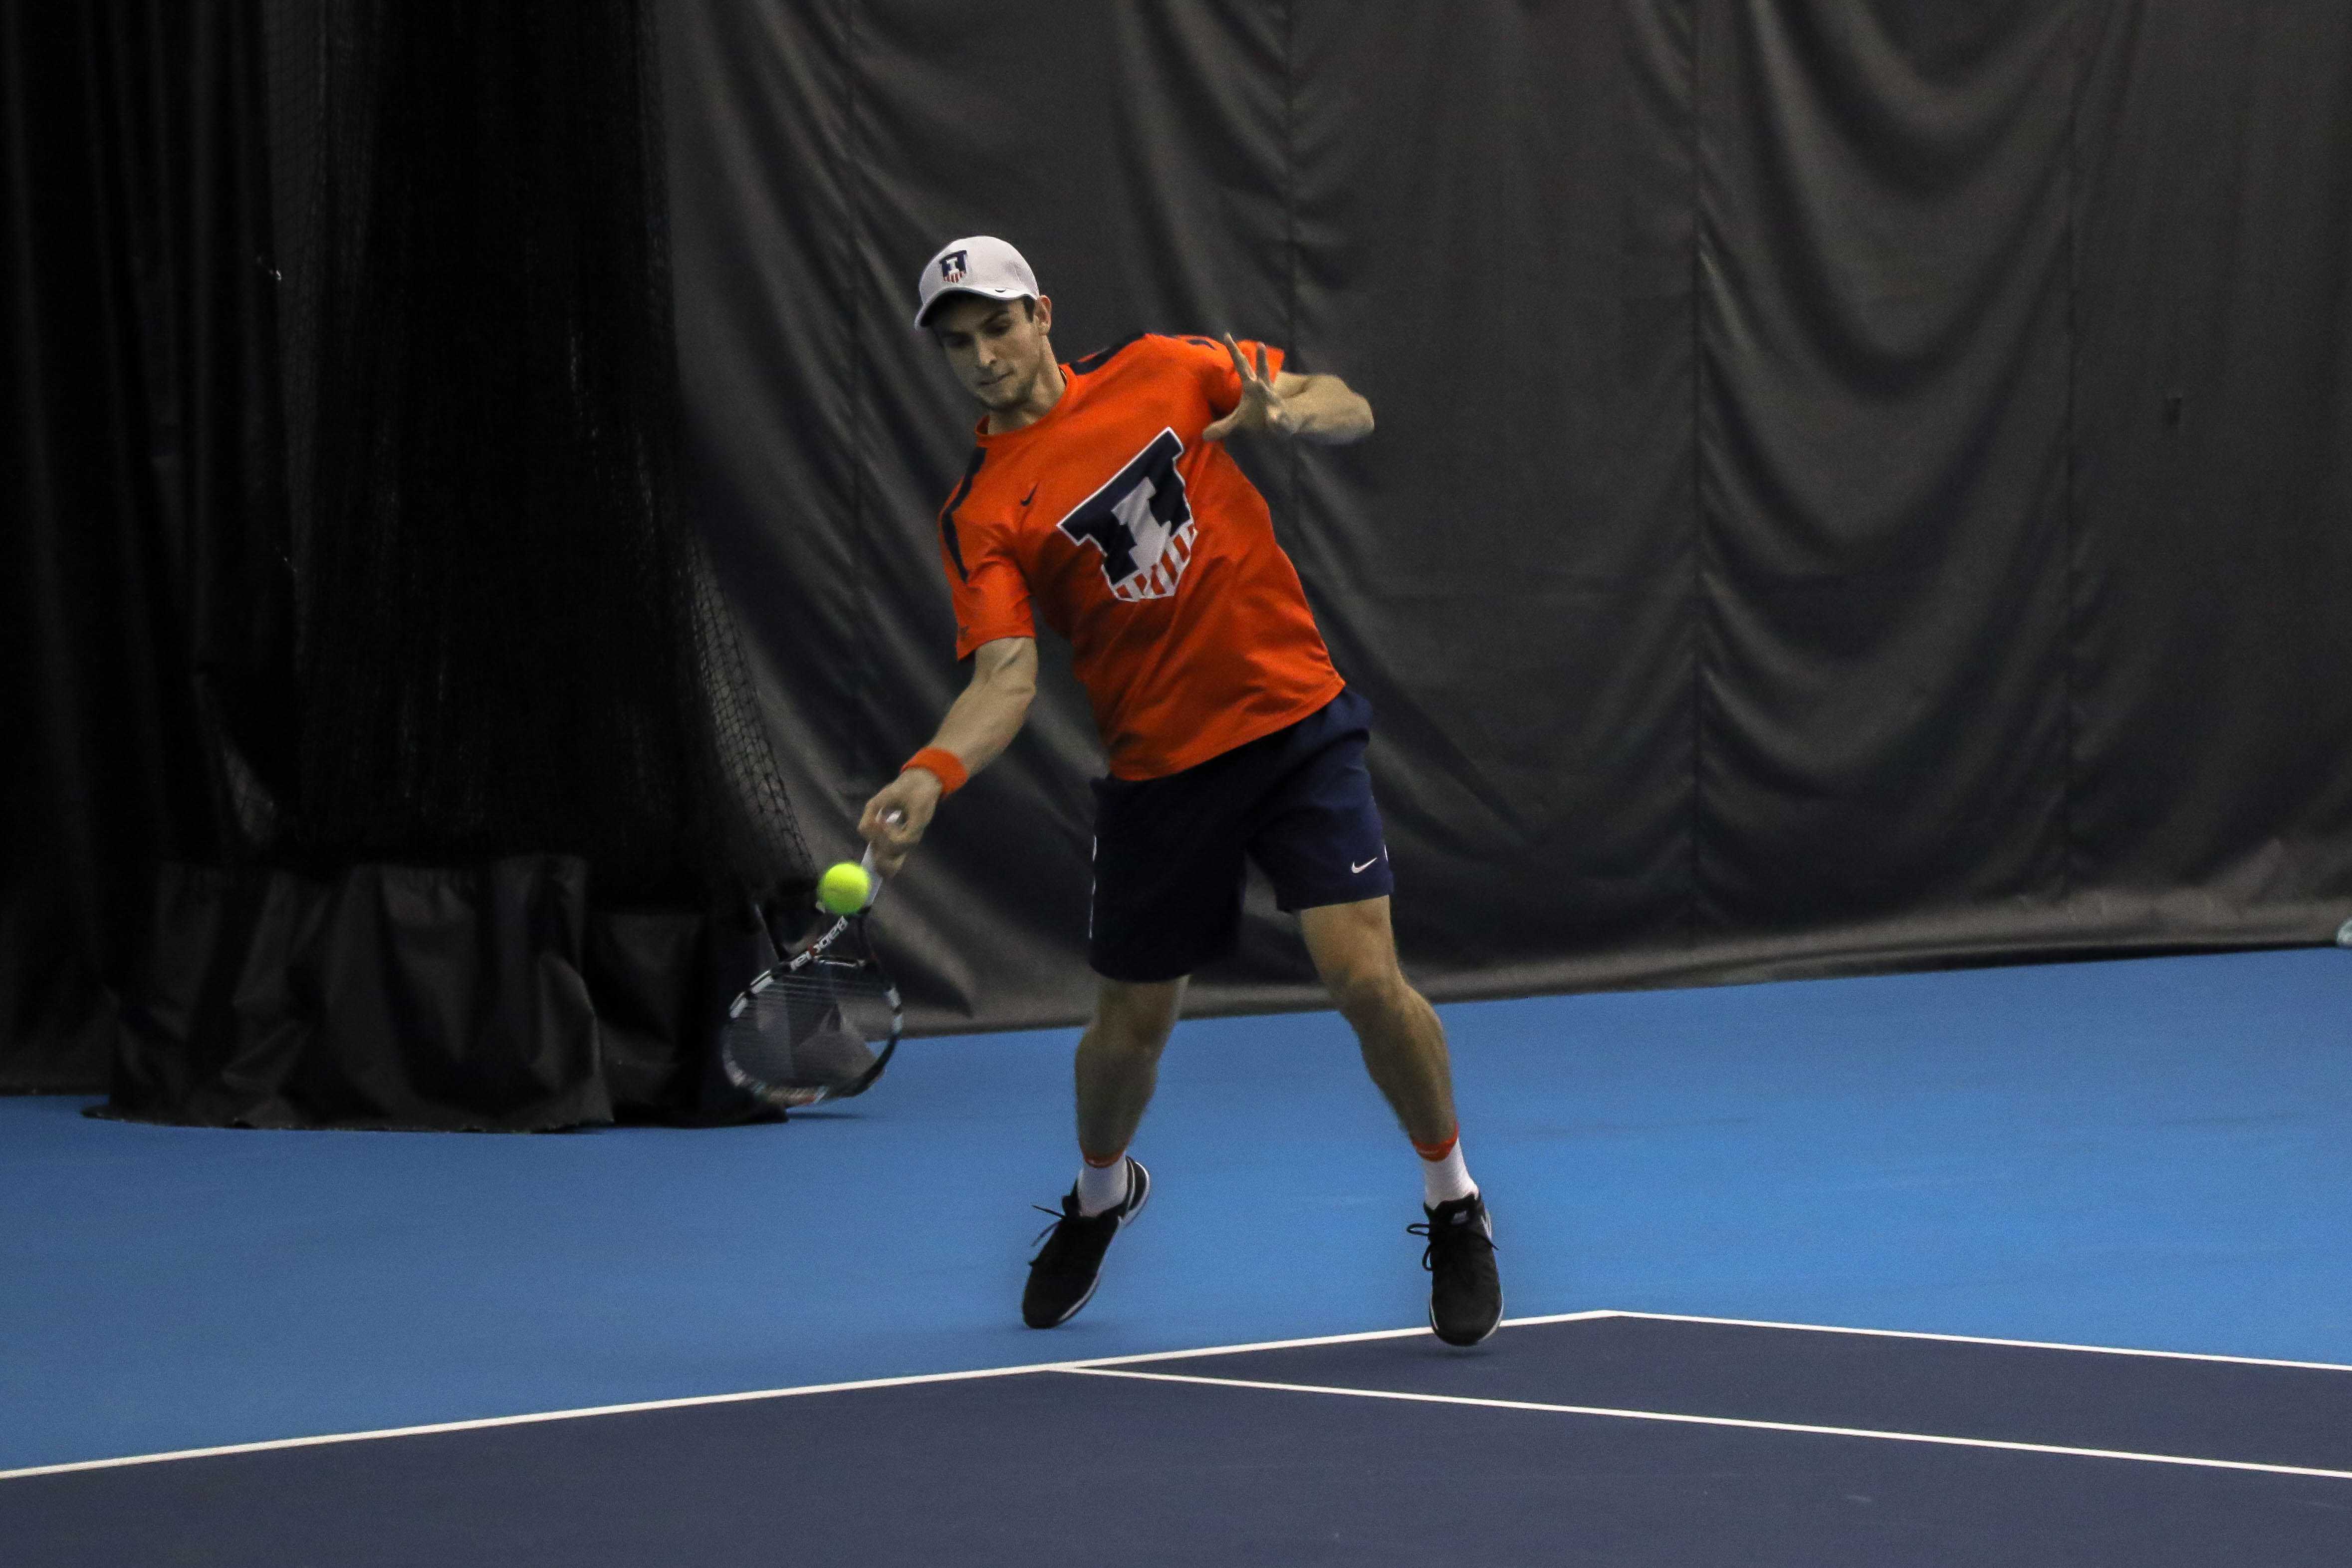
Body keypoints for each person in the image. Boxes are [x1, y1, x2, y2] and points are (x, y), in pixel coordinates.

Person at [858, 235, 1502, 1346]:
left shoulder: (1168, 366)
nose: (981, 356)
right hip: (1159, 776)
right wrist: (932, 768)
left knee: (1361, 978)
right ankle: (1102, 1197)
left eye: (996, 327)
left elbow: (1344, 404)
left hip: (1295, 724)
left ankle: (1454, 1203)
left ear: (1041, 313)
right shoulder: (983, 510)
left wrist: (1292, 412)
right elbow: (1005, 677)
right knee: (1125, 1033)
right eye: (957, 343)